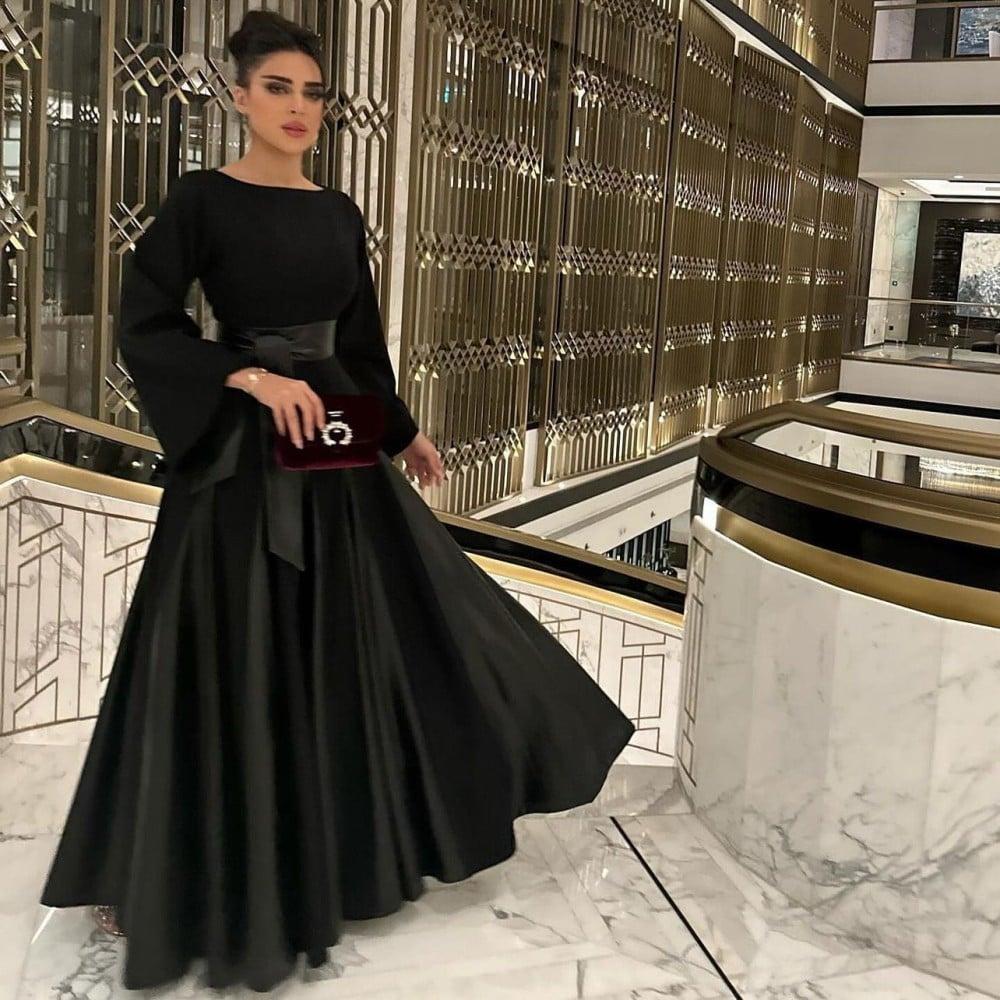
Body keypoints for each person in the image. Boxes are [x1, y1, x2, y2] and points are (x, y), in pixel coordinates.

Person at [38, 10, 635, 993]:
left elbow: (357, 344)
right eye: (277, 87)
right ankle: (191, 867)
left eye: (312, 92)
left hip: (333, 448)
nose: (298, 107)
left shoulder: (338, 214)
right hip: (239, 464)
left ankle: (342, 853)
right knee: (231, 643)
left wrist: (400, 431)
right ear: (238, 95)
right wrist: (242, 375)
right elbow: (144, 324)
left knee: (371, 628)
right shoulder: (201, 200)